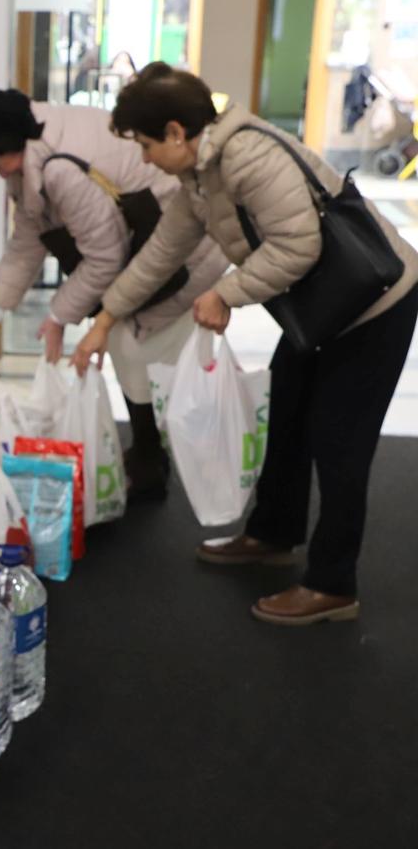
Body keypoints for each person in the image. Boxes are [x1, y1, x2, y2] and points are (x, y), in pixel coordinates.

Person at [71, 63, 418, 625]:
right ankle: (273, 534)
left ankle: (333, 586)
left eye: (145, 145)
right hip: (324, 309)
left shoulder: (248, 157)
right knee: (285, 418)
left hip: (375, 305)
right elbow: (161, 254)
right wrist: (104, 320)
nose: (143, 159)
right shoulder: (199, 179)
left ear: (178, 133)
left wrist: (225, 294)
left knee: (338, 443)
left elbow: (298, 246)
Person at [0, 87, 229, 498]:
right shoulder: (29, 155)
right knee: (128, 345)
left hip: (180, 253)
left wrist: (59, 316)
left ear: (3, 145)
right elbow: (29, 238)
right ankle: (151, 454)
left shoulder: (58, 170)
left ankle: (160, 462)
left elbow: (104, 257)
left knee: (134, 346)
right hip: (147, 248)